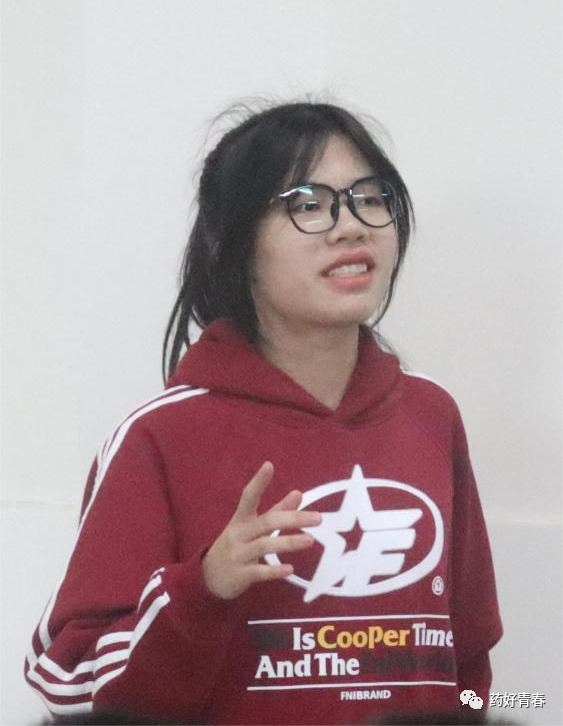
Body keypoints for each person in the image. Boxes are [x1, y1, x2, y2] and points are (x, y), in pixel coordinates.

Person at [25, 101, 502, 725]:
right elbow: (67, 683)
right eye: (308, 203)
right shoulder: (161, 437)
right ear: (236, 241)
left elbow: (468, 670)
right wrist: (203, 589)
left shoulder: (431, 416)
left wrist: (512, 708)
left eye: (370, 198)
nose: (351, 226)